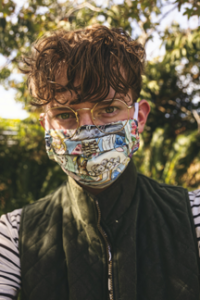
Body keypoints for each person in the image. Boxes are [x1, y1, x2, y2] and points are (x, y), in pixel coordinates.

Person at [0, 24, 200, 300]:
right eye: (65, 114)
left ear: (139, 118)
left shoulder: (193, 217)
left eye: (108, 109)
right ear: (46, 125)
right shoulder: (13, 235)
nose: (87, 129)